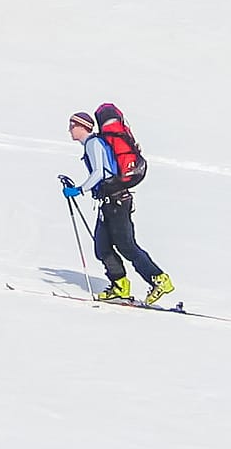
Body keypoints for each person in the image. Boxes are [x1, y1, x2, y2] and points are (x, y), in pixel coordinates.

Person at [64, 110, 174, 304]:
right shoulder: (93, 144)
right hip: (109, 202)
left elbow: (99, 172)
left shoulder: (93, 144)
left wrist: (79, 190)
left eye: (72, 125)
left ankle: (159, 279)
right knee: (102, 246)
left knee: (126, 245)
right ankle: (120, 285)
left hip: (116, 202)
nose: (69, 129)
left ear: (82, 127)